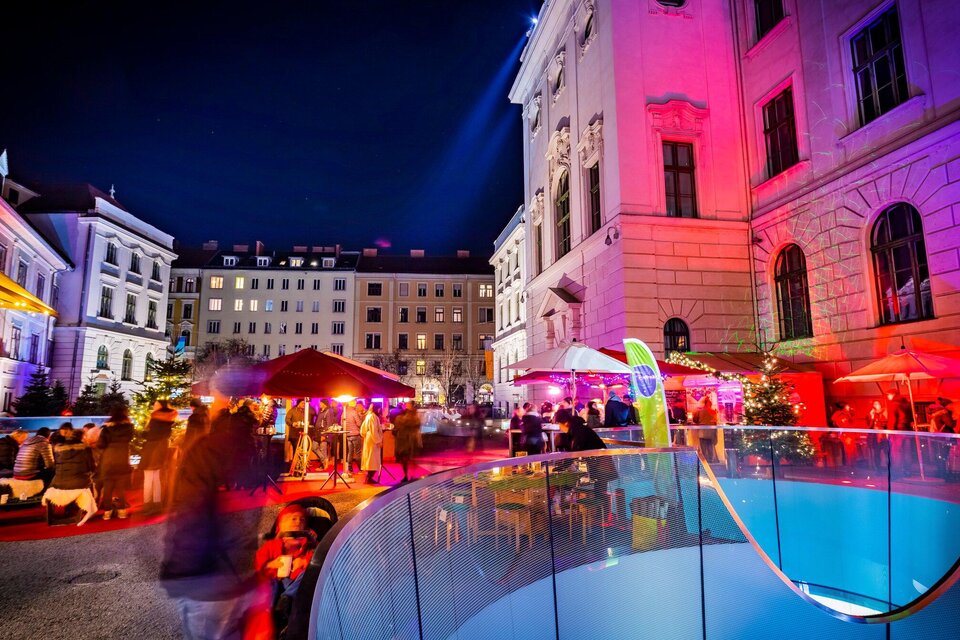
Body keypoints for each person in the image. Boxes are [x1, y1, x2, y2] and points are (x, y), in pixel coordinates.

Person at [254, 503, 318, 630]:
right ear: (281, 524)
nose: (298, 521)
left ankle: (286, 601)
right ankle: (270, 612)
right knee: (268, 583)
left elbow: (320, 556)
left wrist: (305, 562)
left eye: (302, 519)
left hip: (297, 584)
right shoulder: (272, 545)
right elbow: (258, 563)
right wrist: (271, 564)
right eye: (293, 518)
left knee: (309, 574)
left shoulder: (308, 543)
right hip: (277, 580)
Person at [44, 423, 97, 526]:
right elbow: (91, 467)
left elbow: (56, 465)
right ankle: (81, 509)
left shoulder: (58, 448)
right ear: (81, 437)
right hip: (79, 482)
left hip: (59, 482)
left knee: (71, 480)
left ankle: (68, 510)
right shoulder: (85, 448)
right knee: (86, 482)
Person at [141, 399, 178, 516]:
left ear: (161, 406)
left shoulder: (155, 417)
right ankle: (157, 504)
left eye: (155, 404)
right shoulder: (169, 418)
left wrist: (144, 434)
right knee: (156, 477)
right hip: (161, 448)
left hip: (152, 449)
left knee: (148, 478)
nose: (154, 405)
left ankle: (147, 504)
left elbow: (152, 435)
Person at [97, 406, 134, 520]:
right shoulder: (129, 428)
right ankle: (122, 511)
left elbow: (101, 445)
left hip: (109, 460)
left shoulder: (106, 429)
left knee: (108, 488)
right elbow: (130, 439)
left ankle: (107, 512)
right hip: (122, 459)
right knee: (120, 488)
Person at [393, 401, 422, 482]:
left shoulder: (411, 416)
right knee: (406, 459)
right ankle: (408, 475)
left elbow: (413, 424)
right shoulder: (409, 415)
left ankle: (410, 475)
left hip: (408, 441)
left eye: (408, 404)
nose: (406, 405)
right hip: (406, 440)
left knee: (408, 458)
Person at [360, 403, 383, 483]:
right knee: (373, 459)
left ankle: (369, 477)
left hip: (369, 438)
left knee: (370, 458)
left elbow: (363, 429)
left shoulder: (369, 416)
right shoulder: (373, 416)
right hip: (372, 439)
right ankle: (369, 478)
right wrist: (378, 441)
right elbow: (373, 430)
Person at [694, 397, 719, 463]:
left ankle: (704, 461)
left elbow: (695, 420)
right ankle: (711, 460)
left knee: (703, 447)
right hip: (711, 432)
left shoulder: (699, 411)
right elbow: (716, 421)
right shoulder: (713, 411)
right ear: (709, 404)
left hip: (702, 432)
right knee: (710, 446)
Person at [866, 400, 889, 470]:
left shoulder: (884, 411)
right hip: (875, 437)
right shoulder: (871, 414)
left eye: (877, 404)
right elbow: (869, 426)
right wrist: (872, 417)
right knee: (876, 453)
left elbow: (886, 422)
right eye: (874, 404)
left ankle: (889, 467)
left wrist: (879, 423)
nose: (875, 405)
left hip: (884, 436)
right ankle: (878, 469)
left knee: (886, 452)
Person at [343, 400, 363, 473]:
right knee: (358, 453)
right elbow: (359, 423)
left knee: (350, 453)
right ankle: (360, 469)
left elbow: (342, 424)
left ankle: (350, 469)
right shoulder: (354, 412)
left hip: (348, 434)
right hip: (355, 434)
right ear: (353, 403)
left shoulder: (344, 412)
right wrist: (360, 416)